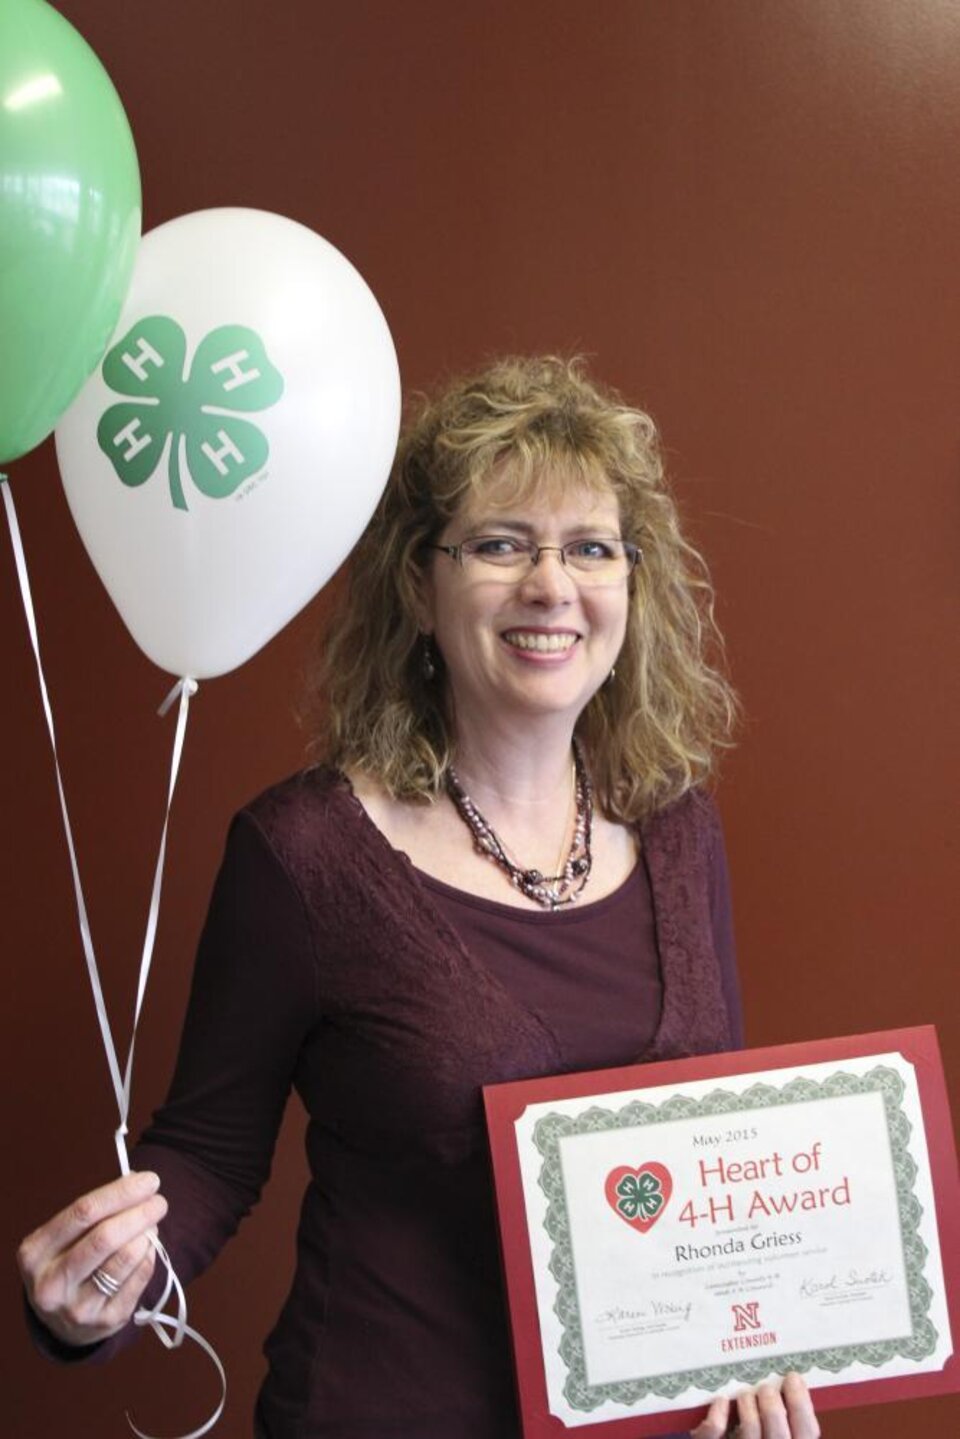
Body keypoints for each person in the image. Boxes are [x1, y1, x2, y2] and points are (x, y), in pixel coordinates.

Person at [18, 357, 820, 1439]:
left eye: (590, 546)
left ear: (635, 582)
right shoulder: (304, 852)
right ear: (417, 586)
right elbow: (208, 1153)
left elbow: (714, 1157)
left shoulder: (681, 832)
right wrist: (101, 1290)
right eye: (499, 544)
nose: (552, 583)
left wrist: (761, 1344)